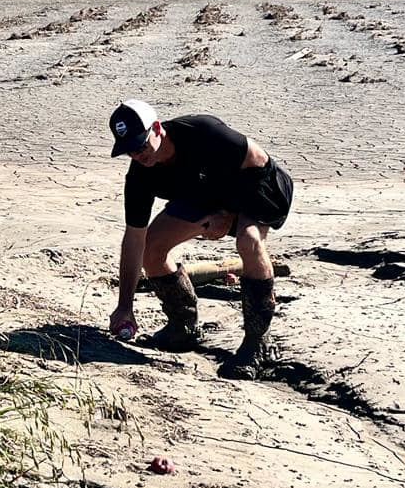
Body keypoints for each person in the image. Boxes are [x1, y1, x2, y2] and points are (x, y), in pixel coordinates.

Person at [108, 99, 293, 380]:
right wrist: (125, 306)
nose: (137, 154)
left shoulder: (202, 132)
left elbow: (258, 162)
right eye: (129, 150)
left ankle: (257, 344)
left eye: (141, 144)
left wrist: (227, 212)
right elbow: (133, 239)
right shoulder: (139, 177)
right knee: (151, 248)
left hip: (257, 186)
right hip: (203, 192)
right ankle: (183, 325)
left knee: (249, 241)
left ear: (157, 128)